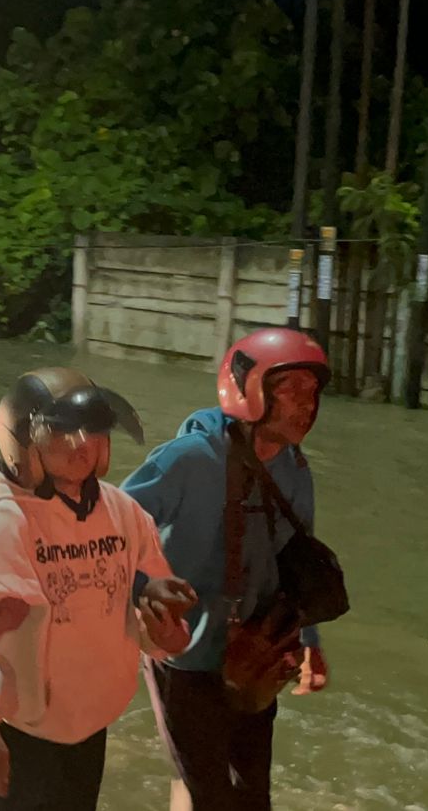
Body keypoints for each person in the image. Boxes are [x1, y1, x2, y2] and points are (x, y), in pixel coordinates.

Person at [0, 367, 199, 811]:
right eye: (64, 434)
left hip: (87, 729)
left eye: (94, 432)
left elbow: (143, 616)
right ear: (24, 443)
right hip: (13, 733)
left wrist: (167, 635)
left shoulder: (123, 512)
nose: (83, 446)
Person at [122, 328, 333, 811]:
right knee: (206, 791)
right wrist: (143, 597)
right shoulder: (188, 460)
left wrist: (310, 643)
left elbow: (298, 562)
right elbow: (113, 528)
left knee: (253, 793)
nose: (306, 405)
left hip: (254, 651)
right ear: (247, 387)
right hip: (186, 651)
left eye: (313, 393)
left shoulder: (294, 470)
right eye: (291, 390)